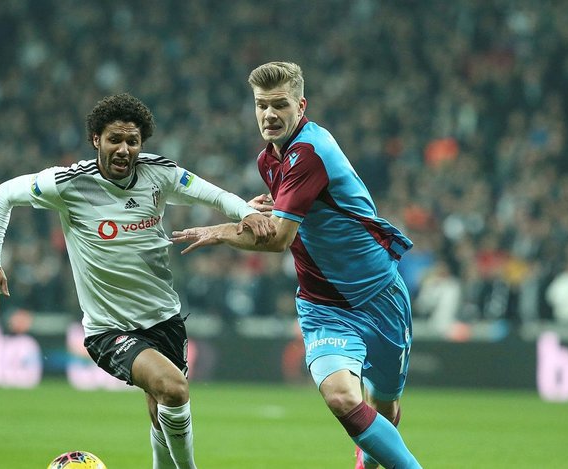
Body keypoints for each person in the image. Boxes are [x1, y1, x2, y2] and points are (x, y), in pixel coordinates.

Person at [0, 93, 275, 469]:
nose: (124, 149)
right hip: (109, 329)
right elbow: (3, 194)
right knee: (174, 389)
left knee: (161, 408)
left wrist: (246, 212)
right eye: (114, 139)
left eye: (132, 141)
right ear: (95, 140)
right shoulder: (69, 183)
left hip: (165, 319)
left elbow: (214, 196)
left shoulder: (159, 174)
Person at [171, 62, 421, 468]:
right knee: (341, 397)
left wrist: (222, 231)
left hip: (378, 295)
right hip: (324, 305)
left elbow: (279, 239)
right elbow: (297, 214)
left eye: (280, 105)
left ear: (301, 106)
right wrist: (264, 212)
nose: (269, 115)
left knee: (385, 405)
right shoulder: (268, 160)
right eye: (261, 105)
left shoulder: (309, 152)